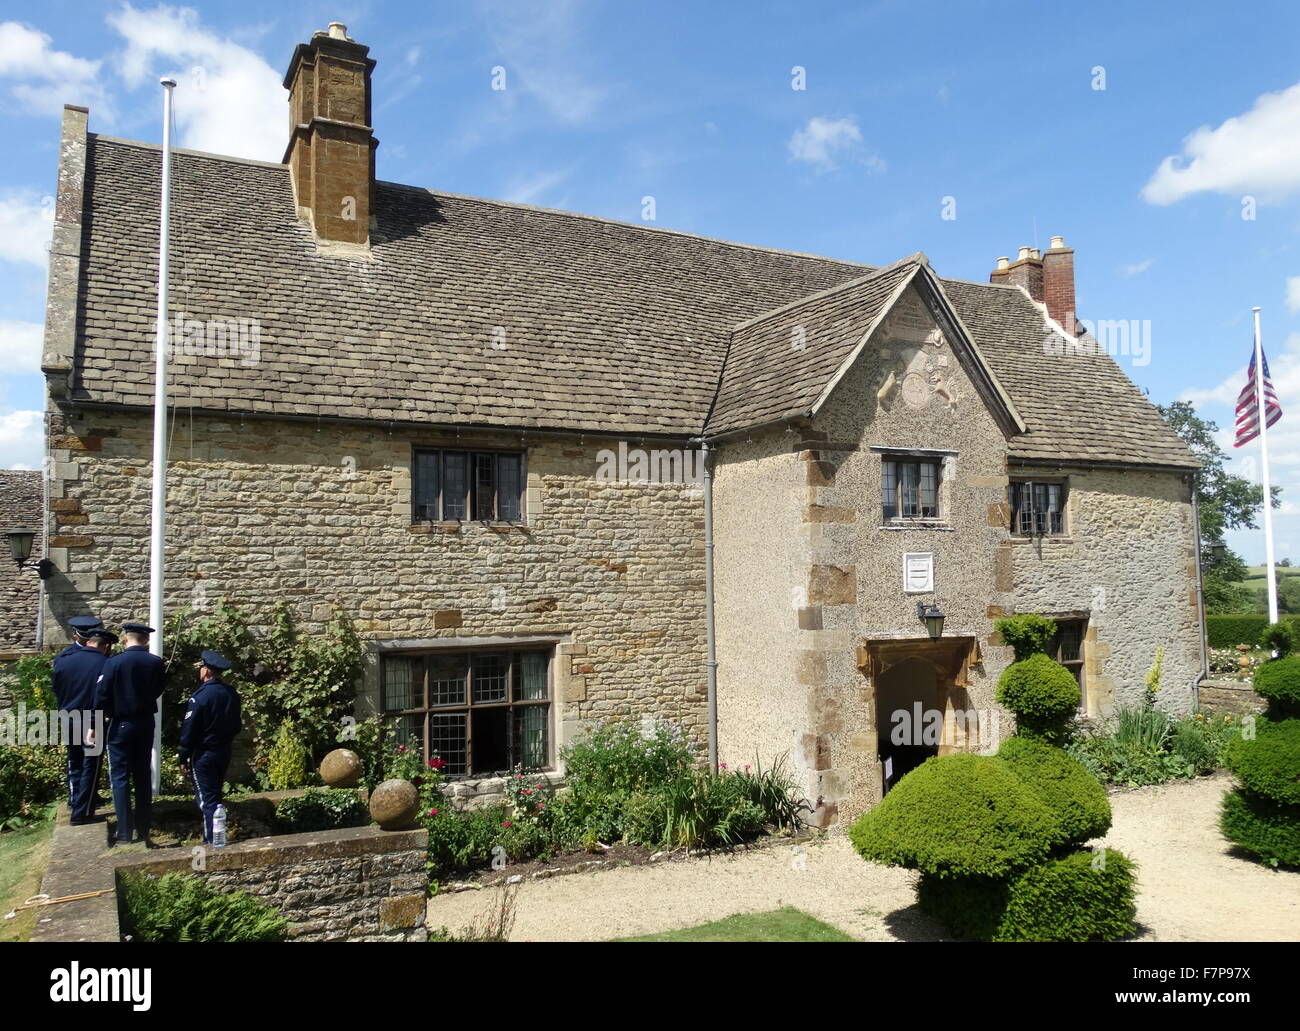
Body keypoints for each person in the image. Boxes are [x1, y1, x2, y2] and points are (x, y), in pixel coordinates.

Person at [95, 622, 166, 846]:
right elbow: (158, 689)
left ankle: (125, 833)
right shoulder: (155, 663)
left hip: (121, 722)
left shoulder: (114, 662)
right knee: (142, 775)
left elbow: (102, 693)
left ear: (126, 638)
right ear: (145, 640)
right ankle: (144, 830)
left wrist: (105, 714)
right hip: (145, 722)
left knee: (120, 777)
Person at [51, 627, 115, 825]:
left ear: (88, 642)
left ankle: (75, 799)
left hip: (68, 715)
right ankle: (82, 811)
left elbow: (56, 687)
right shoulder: (106, 663)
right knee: (91, 766)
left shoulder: (64, 660)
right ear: (105, 646)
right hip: (92, 719)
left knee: (74, 761)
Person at [179, 651, 241, 845]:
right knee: (215, 794)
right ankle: (216, 836)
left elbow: (190, 730)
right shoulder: (231, 694)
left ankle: (212, 841)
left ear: (206, 671)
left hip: (204, 753)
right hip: (224, 751)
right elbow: (236, 725)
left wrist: (183, 756)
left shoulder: (201, 697)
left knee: (207, 800)